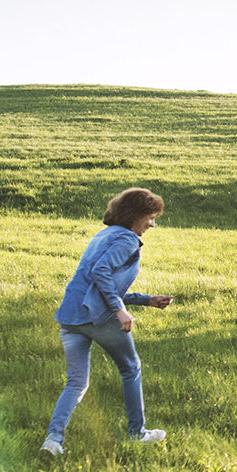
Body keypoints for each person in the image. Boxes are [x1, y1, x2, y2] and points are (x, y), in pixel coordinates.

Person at [41, 188, 174, 456]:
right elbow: (100, 272)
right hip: (98, 316)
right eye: (150, 216)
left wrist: (146, 300)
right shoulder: (126, 239)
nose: (152, 223)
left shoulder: (104, 235)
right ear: (135, 215)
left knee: (76, 382)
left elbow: (99, 283)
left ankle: (53, 441)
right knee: (130, 368)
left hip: (71, 316)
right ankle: (138, 433)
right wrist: (119, 311)